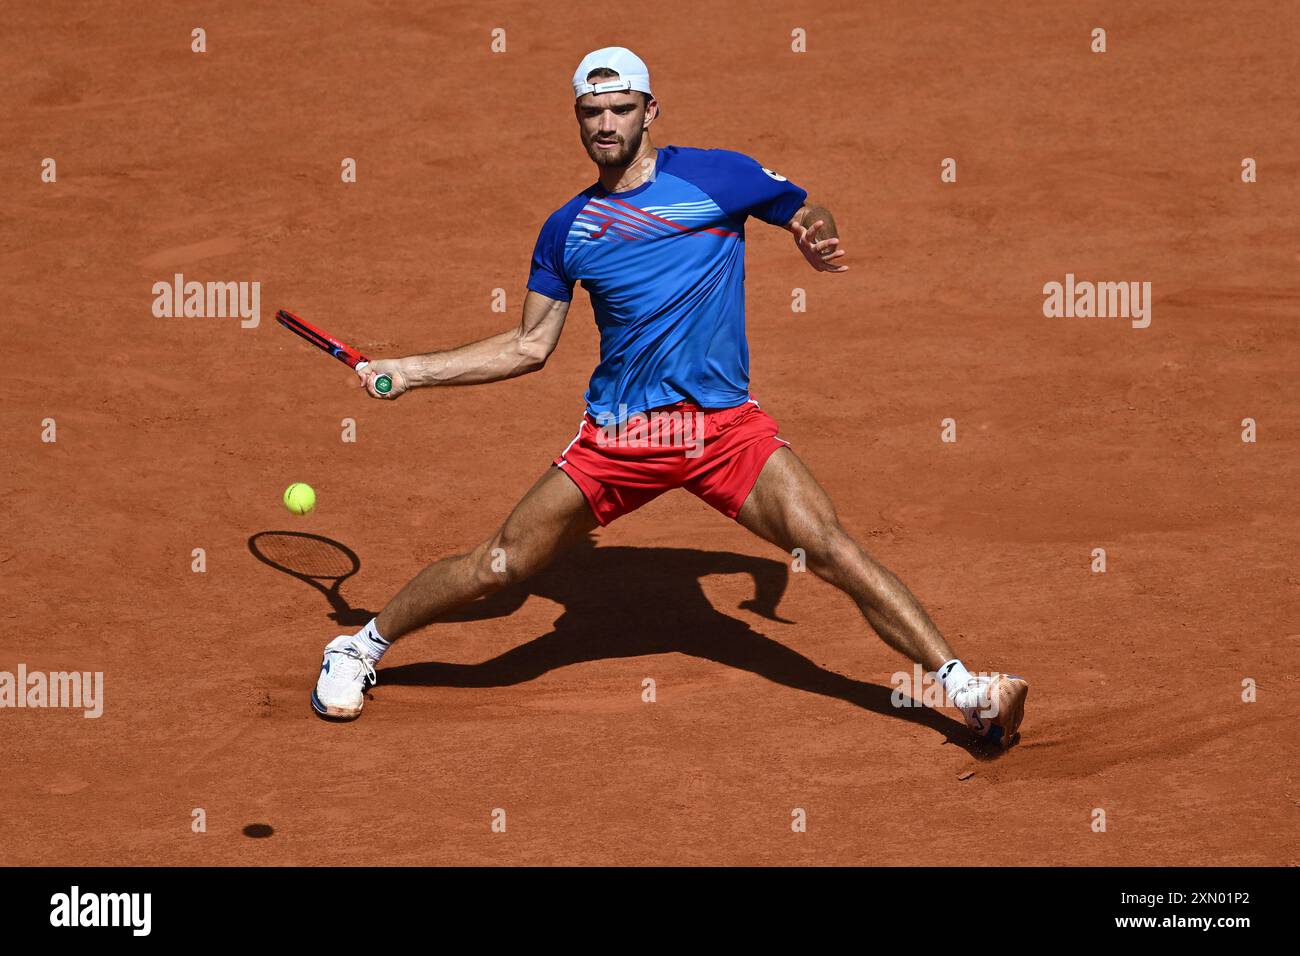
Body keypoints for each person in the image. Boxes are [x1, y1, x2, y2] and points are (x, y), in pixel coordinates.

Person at [311, 46, 1028, 747]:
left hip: (724, 430)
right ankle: (359, 647)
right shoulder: (569, 230)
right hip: (626, 437)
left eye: (621, 109)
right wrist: (410, 371)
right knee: (500, 566)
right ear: (578, 119)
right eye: (591, 113)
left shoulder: (718, 178)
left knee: (830, 546)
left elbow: (806, 206)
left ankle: (966, 692)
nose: (606, 125)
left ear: (650, 110)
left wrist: (816, 231)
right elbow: (529, 346)